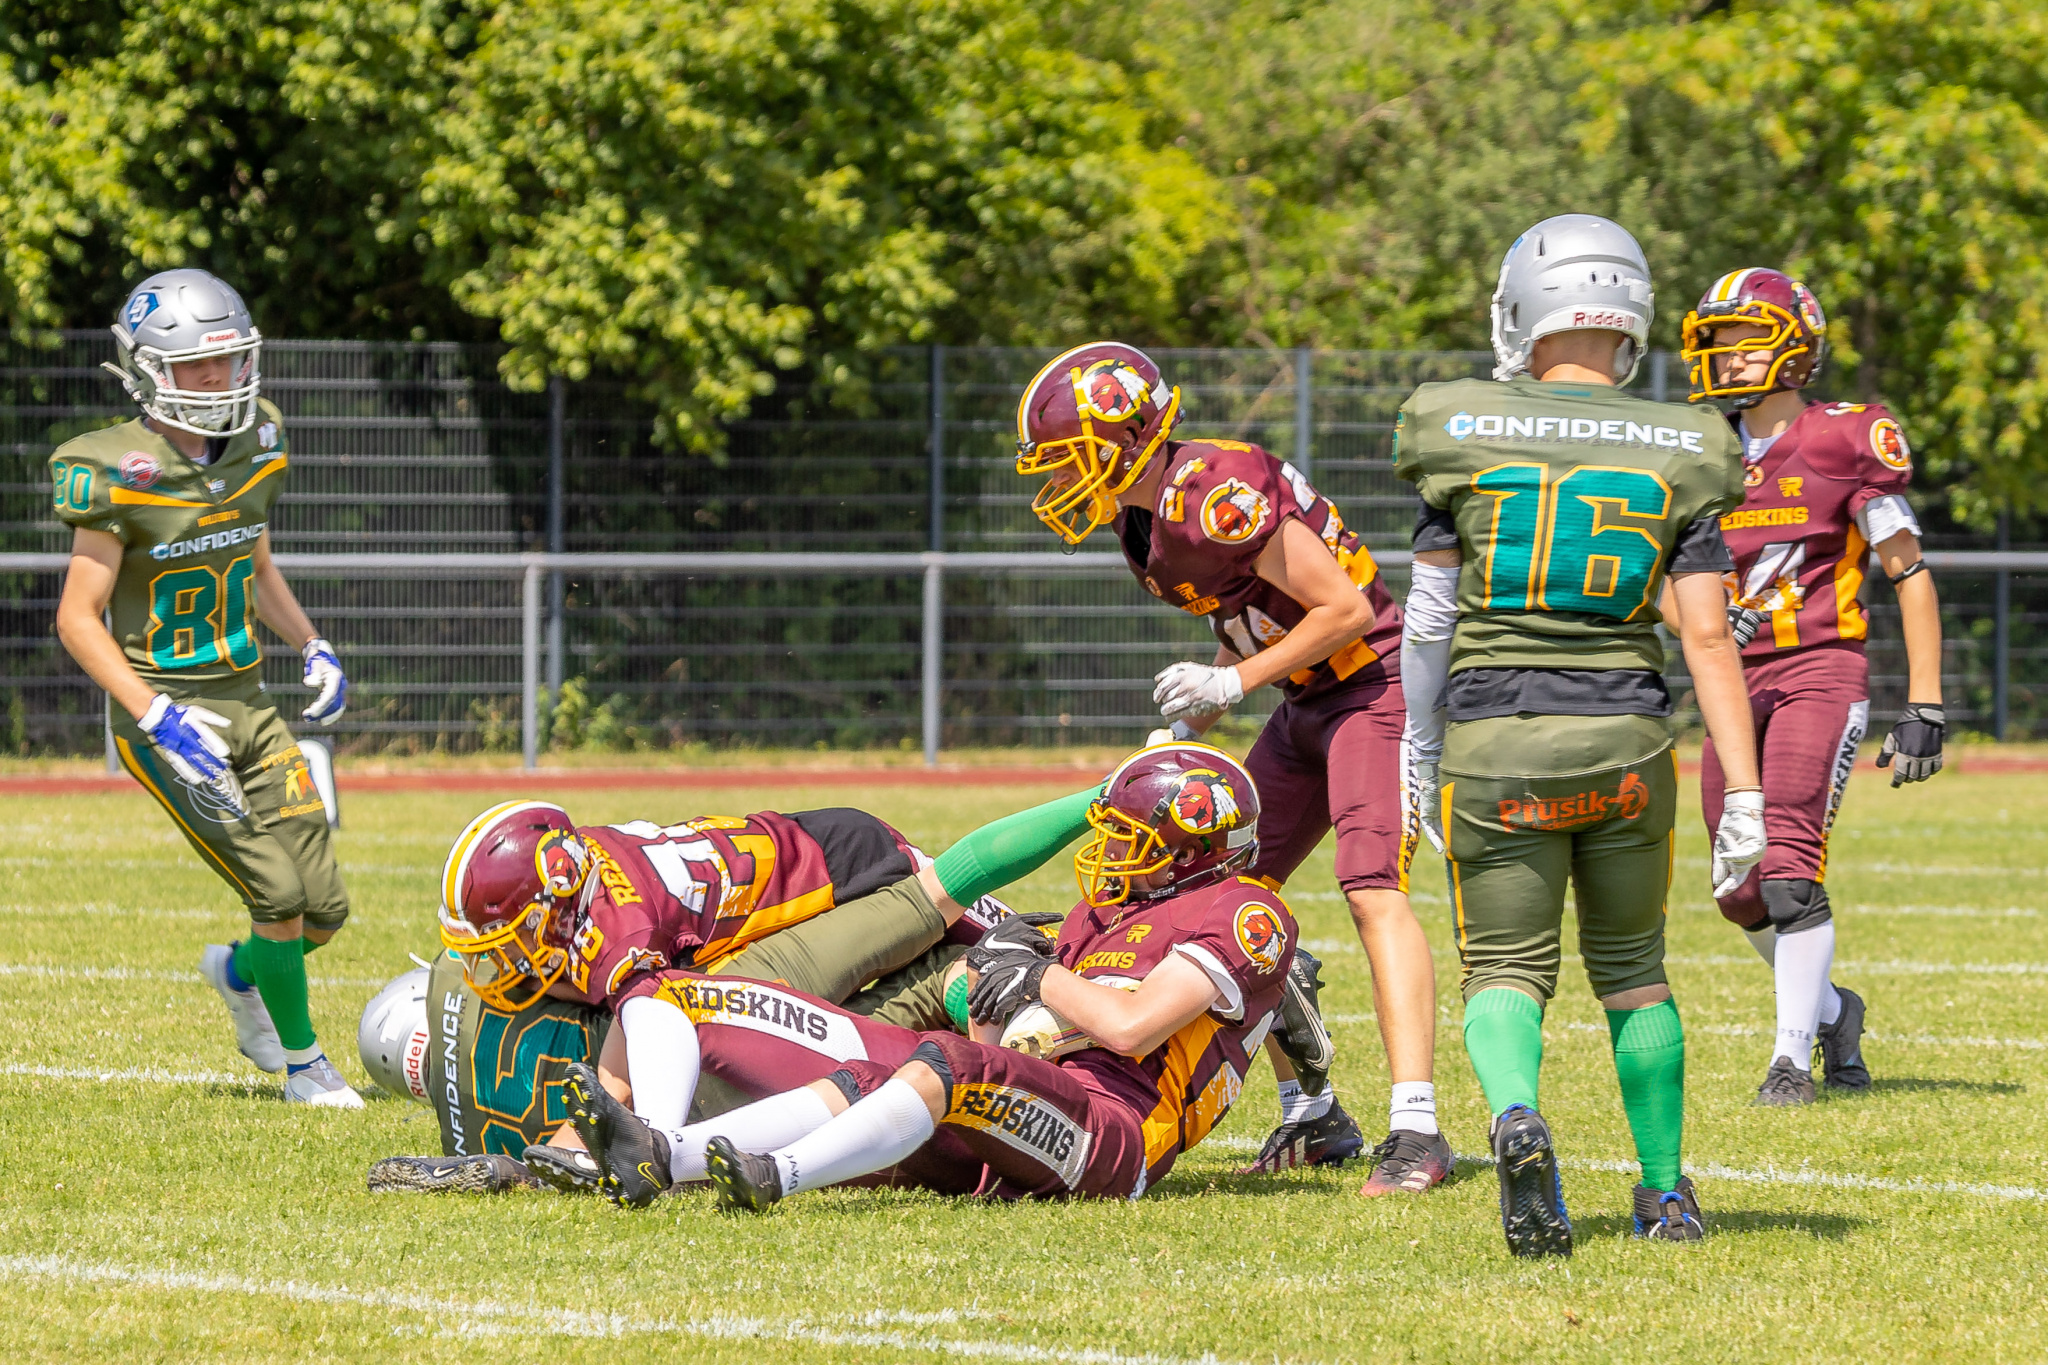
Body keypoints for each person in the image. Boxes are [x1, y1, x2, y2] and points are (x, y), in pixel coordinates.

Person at [1396, 214, 1766, 1255]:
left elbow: (1426, 622)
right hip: (1626, 741)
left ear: (1523, 307)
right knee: (1635, 970)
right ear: (1630, 317)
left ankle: (1517, 1115)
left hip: (1495, 740)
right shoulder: (1690, 444)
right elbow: (1706, 638)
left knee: (1503, 969)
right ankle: (1665, 1194)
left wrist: (1416, 744)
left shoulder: (1455, 424)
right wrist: (1744, 793)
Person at [1012, 343, 1448, 1196]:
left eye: (1070, 456)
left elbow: (1344, 609)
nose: (1061, 478)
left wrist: (1233, 683)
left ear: (1126, 435)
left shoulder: (1214, 491)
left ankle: (1418, 1127)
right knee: (1214, 890)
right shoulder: (1143, 522)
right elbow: (1252, 619)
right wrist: (1196, 715)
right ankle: (1313, 1110)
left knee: (1371, 888)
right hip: (1302, 701)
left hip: (1372, 689)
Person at [560, 743, 1298, 1212]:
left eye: (1131, 841)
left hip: (1116, 1136)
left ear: (1192, 852)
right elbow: (1006, 1044)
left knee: (948, 1061)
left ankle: (776, 1174)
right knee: (874, 1073)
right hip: (1037, 1102)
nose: (1111, 855)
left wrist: (1035, 973)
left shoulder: (1243, 911)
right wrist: (999, 993)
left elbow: (1132, 1028)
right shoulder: (1103, 911)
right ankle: (665, 1155)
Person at [371, 789, 1098, 1189]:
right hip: (765, 927)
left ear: (561, 905)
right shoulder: (582, 891)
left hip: (838, 873)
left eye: (507, 942)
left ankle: (1105, 797)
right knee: (916, 1009)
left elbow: (646, 1036)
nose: (496, 965)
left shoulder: (615, 932)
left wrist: (577, 1152)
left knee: (1002, 946)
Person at [49, 268, 358, 1107]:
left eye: (226, 359)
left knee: (324, 909)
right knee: (277, 892)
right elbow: (76, 618)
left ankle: (238, 972)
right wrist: (155, 714)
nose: (217, 379)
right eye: (196, 364)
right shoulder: (113, 467)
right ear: (147, 369)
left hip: (249, 700)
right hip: (167, 710)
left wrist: (312, 642)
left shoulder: (260, 439)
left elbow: (254, 562)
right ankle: (304, 1063)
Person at [1673, 267, 1942, 1105]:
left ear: (1795, 347)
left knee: (1788, 868)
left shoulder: (1846, 437)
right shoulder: (1699, 448)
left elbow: (1908, 570)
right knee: (1737, 887)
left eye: (1746, 339)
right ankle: (1833, 1010)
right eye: (1717, 340)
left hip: (1820, 668)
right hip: (1730, 679)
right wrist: (1696, 622)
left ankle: (1790, 1060)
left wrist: (1925, 699)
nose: (1728, 356)